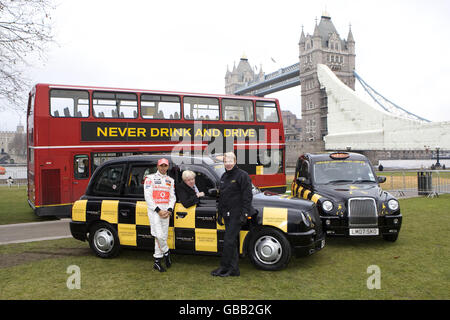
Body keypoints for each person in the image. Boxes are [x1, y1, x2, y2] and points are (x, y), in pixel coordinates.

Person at [211, 152, 253, 277]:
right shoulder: (224, 176)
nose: (228, 163)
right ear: (224, 162)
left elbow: (247, 196)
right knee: (231, 242)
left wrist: (244, 213)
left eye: (230, 161)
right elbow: (222, 197)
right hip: (227, 215)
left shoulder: (242, 175)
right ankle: (230, 269)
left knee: (229, 241)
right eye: (225, 161)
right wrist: (220, 214)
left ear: (235, 161)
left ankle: (227, 267)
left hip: (237, 214)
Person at [144, 158, 176, 272]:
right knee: (158, 234)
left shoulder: (170, 180)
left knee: (163, 235)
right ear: (157, 166)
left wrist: (169, 209)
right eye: (161, 165)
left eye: (165, 166)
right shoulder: (150, 178)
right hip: (154, 212)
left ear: (168, 167)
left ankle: (157, 262)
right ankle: (166, 253)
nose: (163, 168)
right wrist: (158, 210)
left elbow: (172, 197)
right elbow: (148, 196)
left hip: (166, 212)